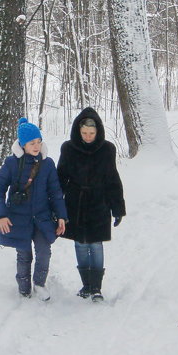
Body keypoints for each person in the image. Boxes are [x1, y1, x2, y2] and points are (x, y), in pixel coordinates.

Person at [0, 118, 67, 300]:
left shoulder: (47, 164)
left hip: (42, 218)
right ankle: (23, 287)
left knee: (44, 251)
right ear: (22, 144)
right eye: (32, 143)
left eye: (39, 142)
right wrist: (1, 215)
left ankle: (39, 283)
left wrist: (62, 217)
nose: (36, 146)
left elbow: (55, 192)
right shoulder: (12, 163)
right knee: (24, 254)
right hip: (18, 218)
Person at [57, 108, 126, 300]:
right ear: (78, 131)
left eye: (92, 133)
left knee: (96, 244)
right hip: (75, 202)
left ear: (98, 132)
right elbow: (60, 178)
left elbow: (113, 179)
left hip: (99, 201)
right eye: (84, 133)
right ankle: (86, 285)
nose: (88, 137)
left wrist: (117, 208)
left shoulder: (107, 149)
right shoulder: (68, 148)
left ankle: (96, 287)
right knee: (79, 244)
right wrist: (56, 207)